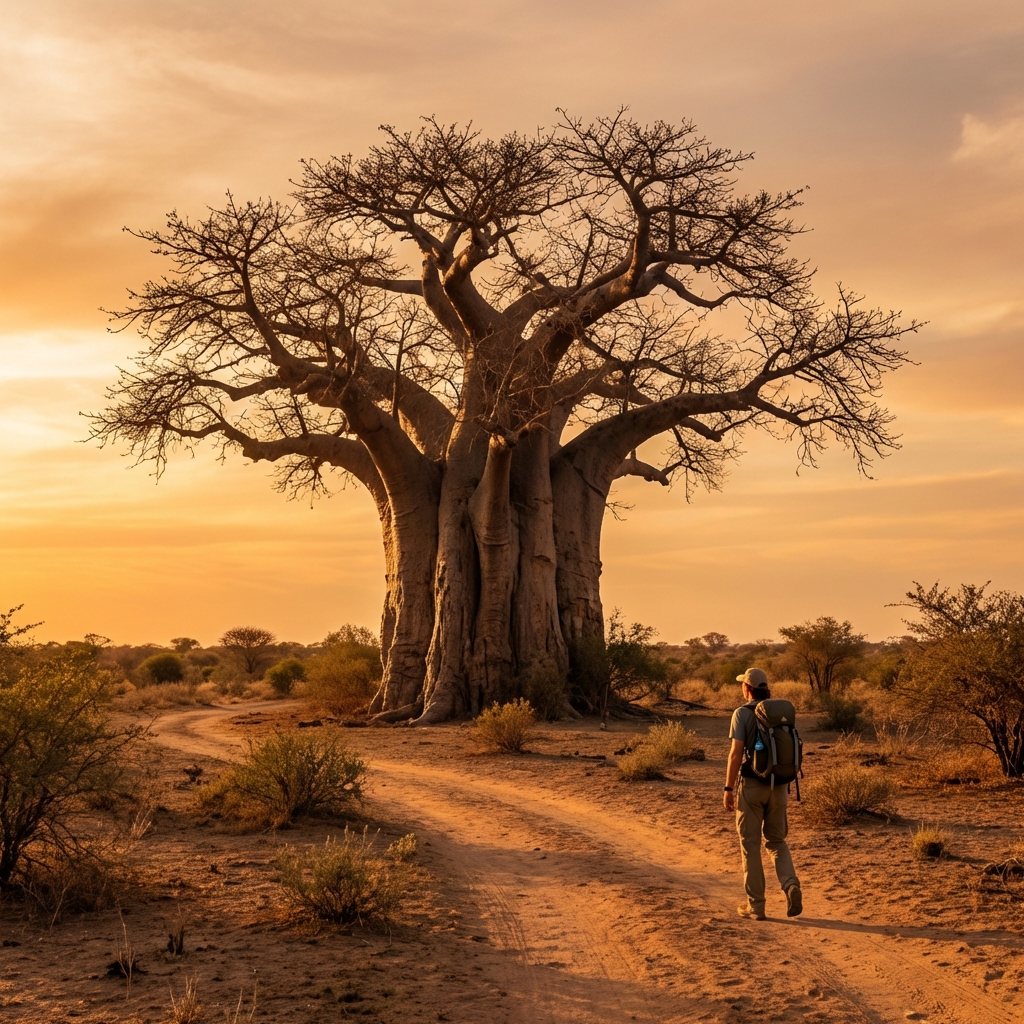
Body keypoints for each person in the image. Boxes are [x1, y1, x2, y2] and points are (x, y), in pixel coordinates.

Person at [723, 667, 803, 921]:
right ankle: (790, 884)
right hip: (779, 785)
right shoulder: (779, 713)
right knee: (776, 841)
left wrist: (728, 788)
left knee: (751, 846)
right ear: (765, 688)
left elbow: (736, 754)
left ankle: (756, 905)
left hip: (752, 787)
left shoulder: (741, 713)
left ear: (746, 688)